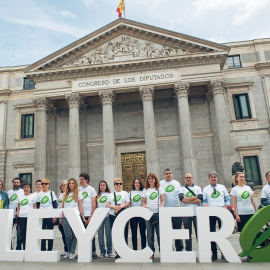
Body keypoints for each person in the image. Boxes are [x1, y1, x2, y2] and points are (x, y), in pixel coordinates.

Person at [202, 171, 230, 261]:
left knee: (223, 235)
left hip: (222, 212)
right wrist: (204, 204)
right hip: (211, 213)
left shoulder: (222, 187)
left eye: (215, 177)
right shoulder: (206, 189)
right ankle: (214, 253)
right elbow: (203, 200)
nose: (213, 178)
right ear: (209, 179)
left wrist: (226, 206)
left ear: (217, 178)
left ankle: (224, 253)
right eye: (211, 177)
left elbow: (227, 198)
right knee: (212, 233)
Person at [60, 178, 84, 260]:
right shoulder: (64, 194)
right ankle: (69, 250)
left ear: (75, 184)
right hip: (66, 216)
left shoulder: (79, 194)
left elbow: (80, 206)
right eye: (70, 183)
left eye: (72, 183)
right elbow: (62, 206)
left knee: (74, 235)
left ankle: (72, 252)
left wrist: (82, 217)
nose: (71, 185)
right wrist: (61, 217)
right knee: (67, 235)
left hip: (76, 215)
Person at [142, 173, 165, 259]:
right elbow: (144, 202)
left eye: (152, 179)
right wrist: (144, 206)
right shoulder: (145, 190)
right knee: (150, 235)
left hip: (157, 213)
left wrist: (161, 205)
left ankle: (162, 252)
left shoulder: (159, 189)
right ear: (147, 181)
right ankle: (151, 252)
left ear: (155, 180)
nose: (151, 180)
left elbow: (163, 200)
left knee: (159, 234)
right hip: (148, 214)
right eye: (149, 179)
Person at [160, 168, 183, 251]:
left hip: (176, 208)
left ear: (172, 174)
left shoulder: (177, 183)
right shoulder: (160, 184)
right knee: (166, 230)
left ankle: (179, 248)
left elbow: (180, 195)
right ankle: (168, 248)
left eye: (169, 173)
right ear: (164, 175)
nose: (168, 175)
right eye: (166, 173)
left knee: (177, 229)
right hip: (165, 209)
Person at [179, 173, 203, 251]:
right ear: (184, 179)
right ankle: (188, 250)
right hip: (186, 213)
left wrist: (187, 200)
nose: (188, 179)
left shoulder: (198, 188)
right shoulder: (181, 188)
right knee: (187, 233)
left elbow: (200, 199)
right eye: (186, 178)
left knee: (199, 233)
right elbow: (182, 199)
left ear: (192, 178)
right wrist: (195, 198)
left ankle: (202, 250)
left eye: (189, 177)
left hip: (196, 213)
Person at [107, 178, 130, 259]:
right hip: (113, 215)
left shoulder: (125, 193)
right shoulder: (111, 194)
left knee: (124, 232)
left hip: (123, 214)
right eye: (117, 184)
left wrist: (119, 207)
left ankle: (125, 251)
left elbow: (128, 203)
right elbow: (108, 204)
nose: (119, 185)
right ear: (114, 185)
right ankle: (118, 252)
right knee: (116, 233)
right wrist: (115, 207)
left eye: (120, 183)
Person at [79, 173, 98, 259]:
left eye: (82, 179)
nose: (80, 181)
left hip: (90, 214)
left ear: (86, 180)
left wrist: (91, 216)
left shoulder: (91, 189)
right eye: (80, 179)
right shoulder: (78, 190)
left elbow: (94, 203)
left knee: (91, 234)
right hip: (81, 214)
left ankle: (92, 251)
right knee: (81, 234)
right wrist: (82, 217)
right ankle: (82, 250)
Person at [36, 178, 57, 251]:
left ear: (48, 185)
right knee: (42, 233)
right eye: (42, 184)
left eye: (45, 184)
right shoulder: (39, 194)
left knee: (50, 233)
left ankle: (50, 249)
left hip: (50, 215)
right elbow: (38, 205)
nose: (44, 185)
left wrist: (54, 216)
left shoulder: (51, 193)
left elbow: (54, 205)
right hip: (42, 215)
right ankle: (43, 248)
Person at [16, 182, 37, 250]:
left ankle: (28, 248)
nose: (26, 188)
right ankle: (23, 248)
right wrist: (18, 213)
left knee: (29, 233)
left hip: (29, 217)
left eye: (27, 187)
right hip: (21, 216)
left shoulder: (33, 196)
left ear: (30, 188)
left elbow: (35, 207)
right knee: (22, 233)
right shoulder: (20, 196)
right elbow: (18, 206)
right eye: (25, 187)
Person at [96, 180, 113, 258]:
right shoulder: (97, 195)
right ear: (99, 187)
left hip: (107, 216)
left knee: (108, 234)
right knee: (100, 235)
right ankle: (102, 251)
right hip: (99, 216)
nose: (102, 186)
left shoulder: (110, 194)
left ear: (106, 186)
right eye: (101, 185)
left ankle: (109, 251)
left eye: (104, 185)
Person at [129, 177, 146, 251]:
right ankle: (134, 249)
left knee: (143, 232)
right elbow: (129, 203)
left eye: (138, 183)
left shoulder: (143, 192)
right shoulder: (130, 193)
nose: (137, 184)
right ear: (133, 184)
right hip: (133, 214)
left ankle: (143, 248)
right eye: (135, 183)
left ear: (140, 184)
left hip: (142, 213)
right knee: (134, 233)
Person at [57, 180, 68, 257]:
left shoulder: (69, 195)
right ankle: (66, 250)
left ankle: (69, 250)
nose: (63, 186)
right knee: (63, 234)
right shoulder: (58, 195)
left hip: (66, 216)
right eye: (62, 185)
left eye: (65, 185)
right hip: (60, 216)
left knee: (67, 234)